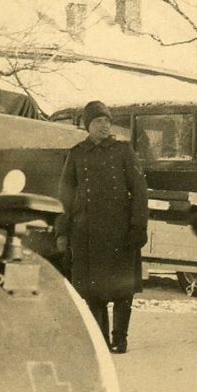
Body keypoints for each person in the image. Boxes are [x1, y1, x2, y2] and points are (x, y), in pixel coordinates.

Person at [56, 101, 149, 354]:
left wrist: (138, 227)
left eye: (107, 120)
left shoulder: (123, 151)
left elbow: (139, 192)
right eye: (98, 121)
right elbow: (65, 196)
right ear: (88, 126)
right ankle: (101, 340)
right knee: (92, 290)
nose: (105, 125)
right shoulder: (77, 154)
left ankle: (120, 339)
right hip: (85, 235)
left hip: (120, 233)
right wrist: (62, 231)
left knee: (121, 289)